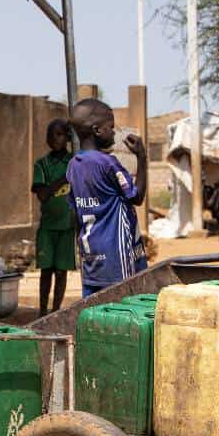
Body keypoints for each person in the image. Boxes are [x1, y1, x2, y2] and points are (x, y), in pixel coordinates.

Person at [66, 98, 148, 298]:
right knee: (125, 305)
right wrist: (142, 157)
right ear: (97, 131)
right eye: (110, 127)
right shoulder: (108, 164)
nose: (113, 132)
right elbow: (136, 197)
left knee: (94, 309)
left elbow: (74, 213)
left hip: (91, 256)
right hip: (116, 256)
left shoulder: (73, 165)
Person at [31, 119, 75, 315]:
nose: (54, 139)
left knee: (61, 271)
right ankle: (42, 311)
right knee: (46, 270)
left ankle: (56, 310)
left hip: (67, 226)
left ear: (67, 137)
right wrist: (64, 178)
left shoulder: (75, 162)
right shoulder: (42, 164)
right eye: (51, 135)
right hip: (47, 227)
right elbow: (42, 194)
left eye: (59, 134)